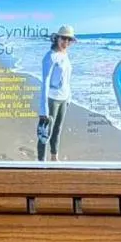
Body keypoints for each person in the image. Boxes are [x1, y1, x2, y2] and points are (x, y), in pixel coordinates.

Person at [37, 26, 75, 161]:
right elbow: (45, 82)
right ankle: (41, 162)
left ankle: (54, 157)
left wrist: (69, 97)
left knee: (57, 130)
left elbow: (67, 79)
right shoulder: (50, 57)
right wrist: (44, 108)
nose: (66, 42)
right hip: (52, 99)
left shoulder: (65, 55)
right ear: (57, 38)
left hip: (64, 99)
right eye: (64, 38)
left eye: (69, 39)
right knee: (44, 133)